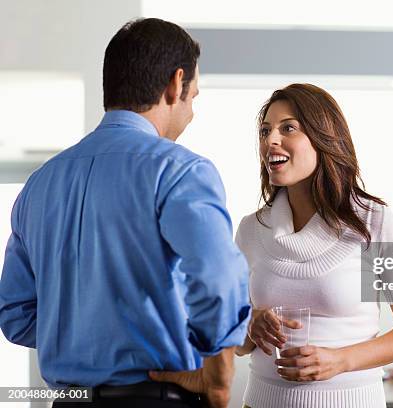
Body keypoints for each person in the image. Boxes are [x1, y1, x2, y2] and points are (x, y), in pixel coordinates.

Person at [0, 18, 250, 408]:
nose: (192, 112)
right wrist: (218, 377)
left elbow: (16, 314)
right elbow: (218, 281)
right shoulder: (181, 171)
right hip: (155, 397)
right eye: (193, 97)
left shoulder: (39, 184)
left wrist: (83, 330)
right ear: (174, 83)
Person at [234, 83, 393, 407]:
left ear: (322, 137)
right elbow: (238, 344)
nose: (270, 140)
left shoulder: (375, 223)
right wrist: (250, 324)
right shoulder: (250, 230)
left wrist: (342, 360)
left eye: (288, 128)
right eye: (265, 131)